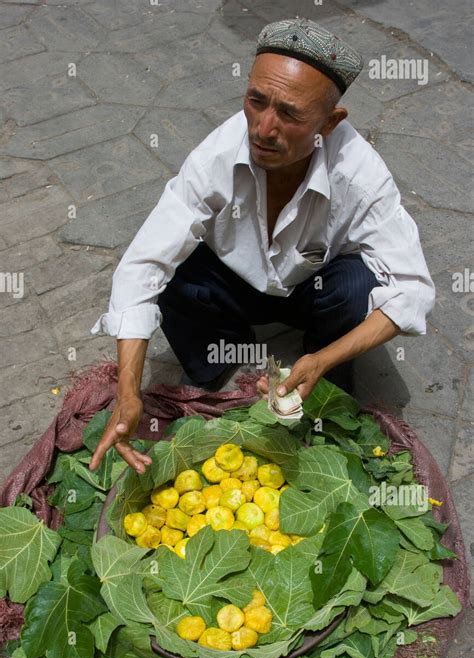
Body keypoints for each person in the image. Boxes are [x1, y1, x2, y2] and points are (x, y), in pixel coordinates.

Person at [89, 18, 435, 475]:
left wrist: (325, 357)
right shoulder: (217, 156)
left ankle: (318, 372)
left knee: (356, 287)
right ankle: (220, 361)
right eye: (256, 101)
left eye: (289, 114)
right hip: (232, 283)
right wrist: (129, 392)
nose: (263, 129)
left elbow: (413, 291)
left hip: (314, 289)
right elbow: (141, 267)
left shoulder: (361, 175)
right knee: (174, 276)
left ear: (329, 124)